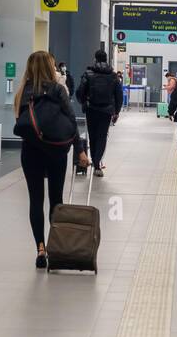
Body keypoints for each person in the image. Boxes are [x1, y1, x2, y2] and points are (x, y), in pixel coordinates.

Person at [15, 51, 78, 269]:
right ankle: (55, 246)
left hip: (31, 151)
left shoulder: (23, 92)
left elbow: (21, 123)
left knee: (35, 199)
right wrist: (79, 151)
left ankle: (40, 249)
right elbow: (71, 120)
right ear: (49, 67)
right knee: (56, 199)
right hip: (56, 151)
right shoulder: (58, 89)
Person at [76, 49, 122, 178]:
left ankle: (94, 160)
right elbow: (119, 95)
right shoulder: (113, 75)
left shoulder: (88, 73)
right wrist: (116, 111)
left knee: (93, 134)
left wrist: (83, 102)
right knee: (102, 135)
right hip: (106, 110)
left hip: (91, 109)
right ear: (106, 59)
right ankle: (97, 163)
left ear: (95, 59)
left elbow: (80, 92)